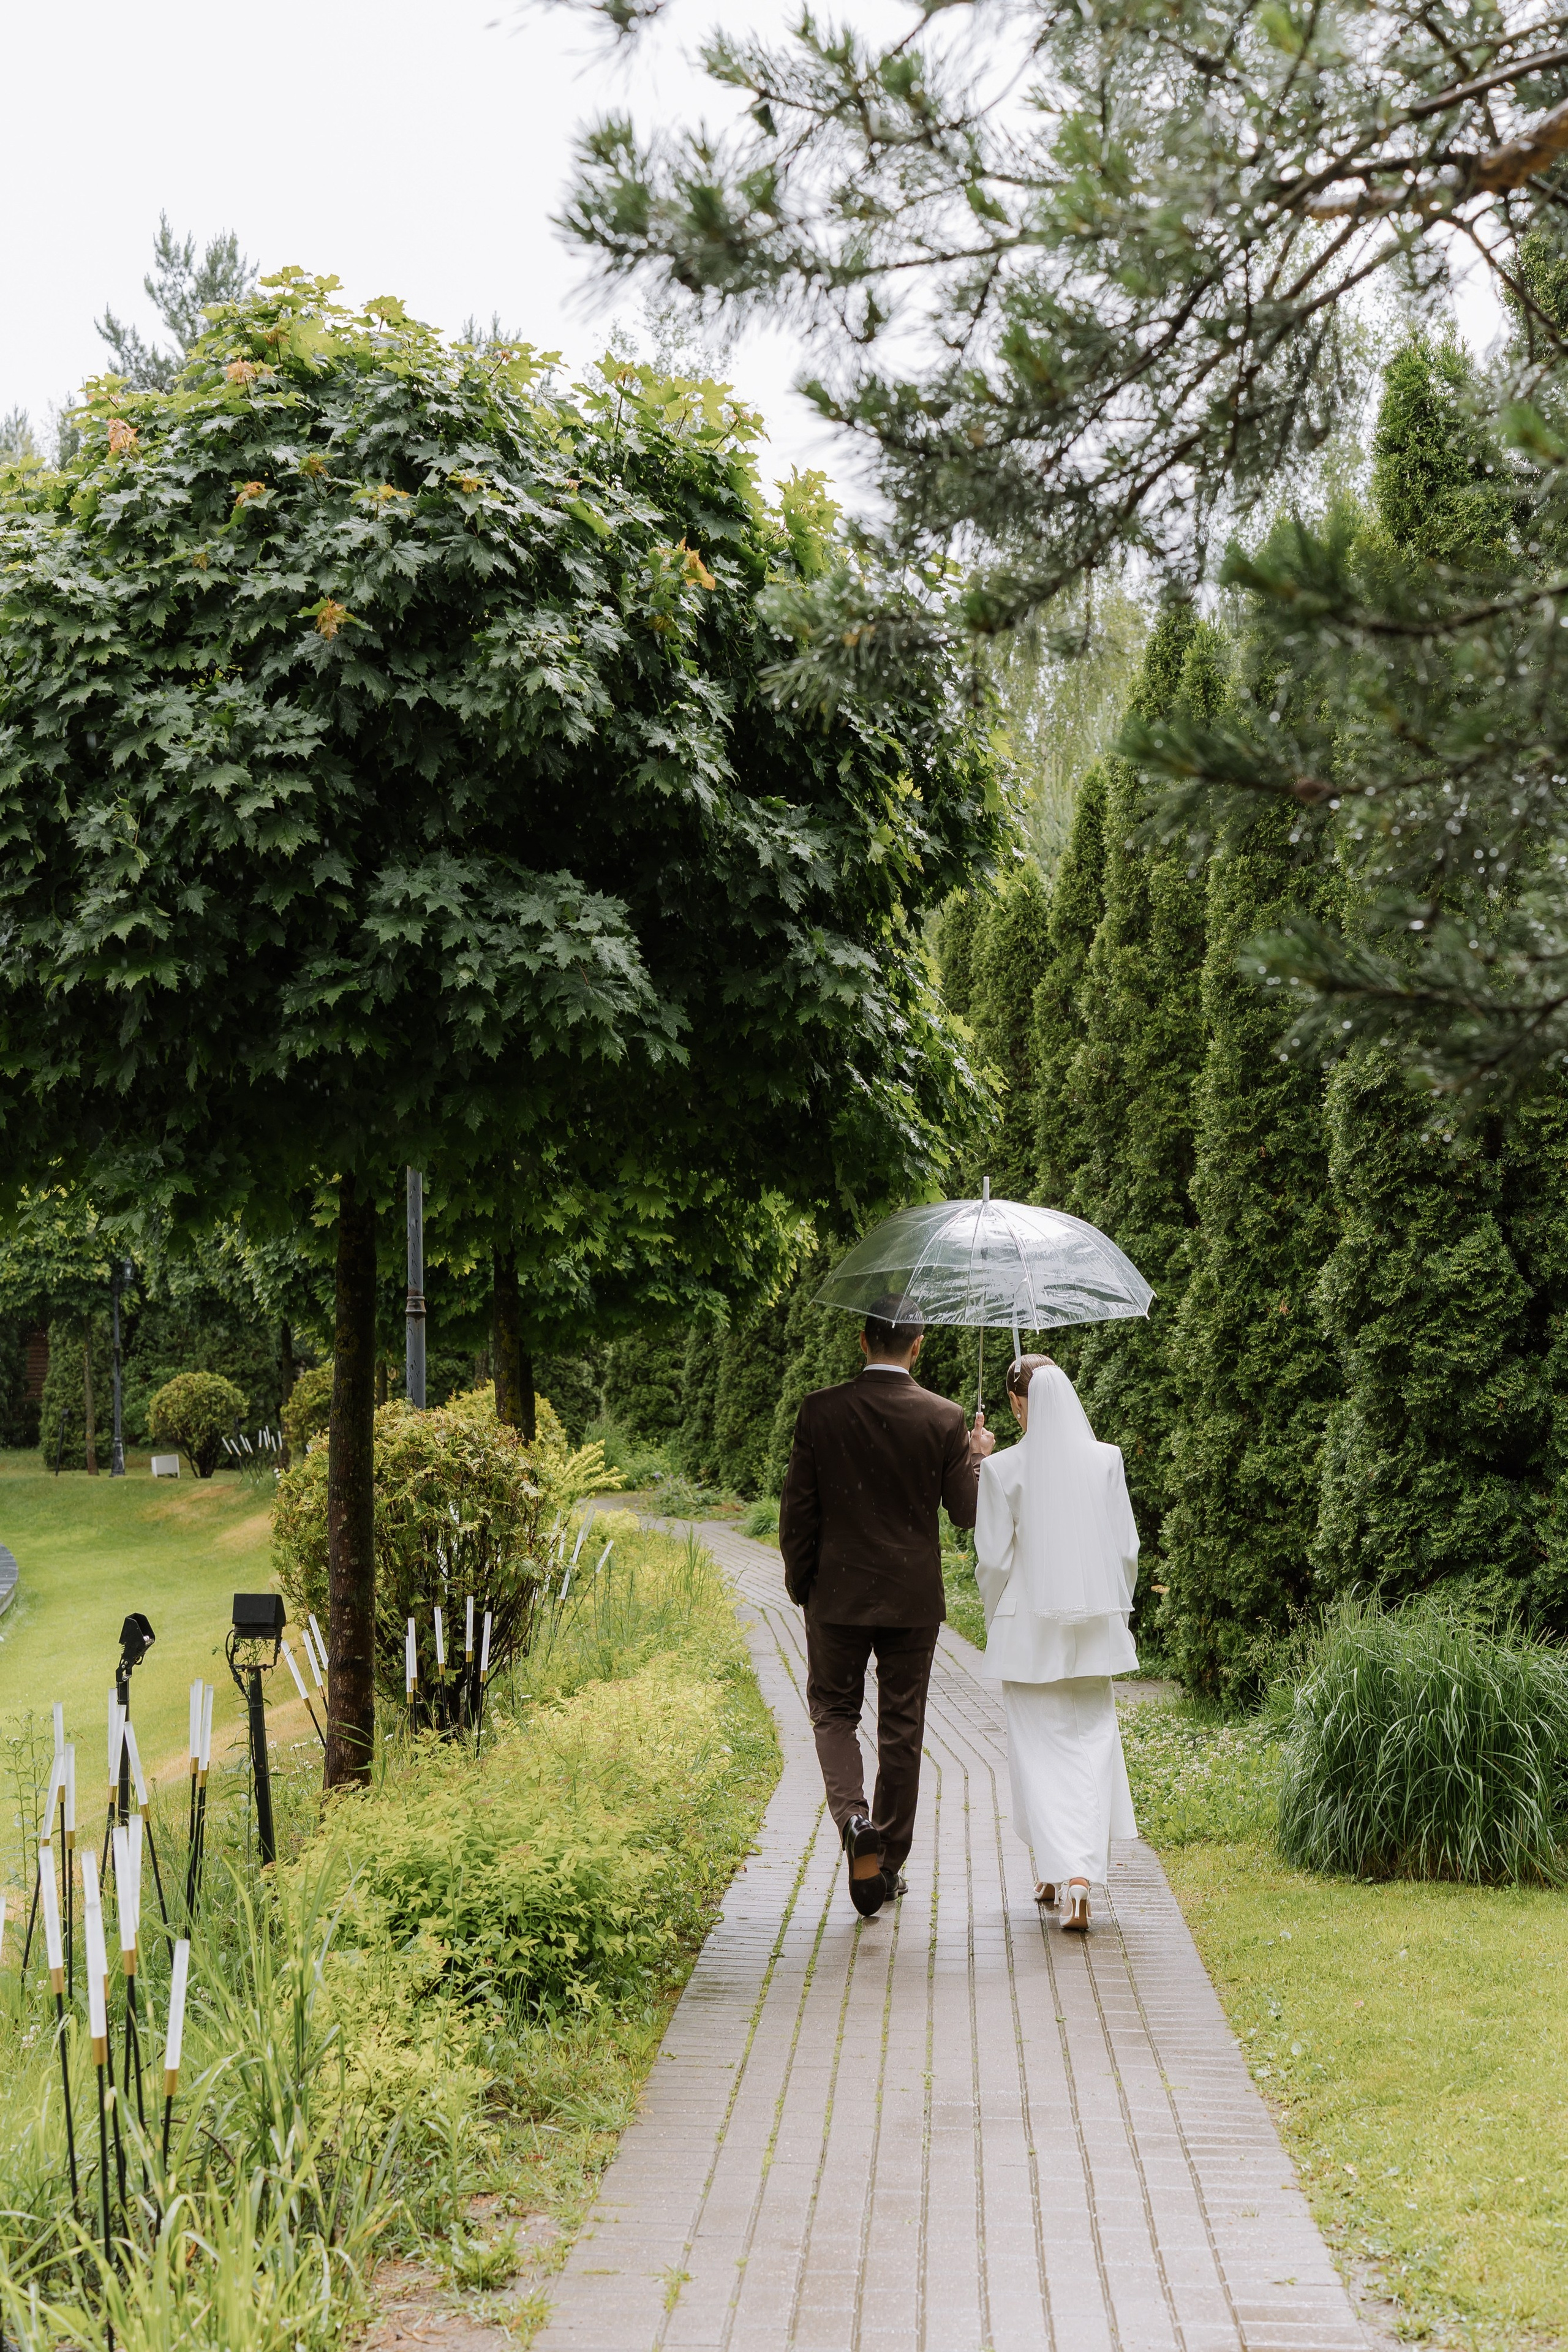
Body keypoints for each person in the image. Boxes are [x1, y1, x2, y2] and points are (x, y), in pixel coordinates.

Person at [779, 1294, 995, 1917]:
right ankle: (888, 1865)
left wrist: (802, 1584)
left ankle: (853, 1819)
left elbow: (798, 1510)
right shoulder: (943, 1416)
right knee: (902, 1726)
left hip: (836, 1593)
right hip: (911, 1598)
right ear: (918, 1346)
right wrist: (977, 1459)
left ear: (862, 1340)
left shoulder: (820, 1410)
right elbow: (966, 1514)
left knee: (833, 1712)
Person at [974, 1354, 1140, 1934]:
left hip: (1028, 1635)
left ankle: (1063, 1872)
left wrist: (996, 1616)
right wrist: (1114, 1606)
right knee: (1092, 1747)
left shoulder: (1001, 1469)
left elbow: (994, 1562)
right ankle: (1074, 1879)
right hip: (1094, 1628)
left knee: (1038, 1756)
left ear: (1017, 1403)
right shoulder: (1106, 1460)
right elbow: (1126, 1550)